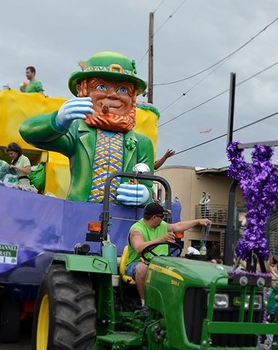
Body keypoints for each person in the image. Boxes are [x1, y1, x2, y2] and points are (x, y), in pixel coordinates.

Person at [20, 51, 154, 205]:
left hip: (122, 218)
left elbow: (148, 185)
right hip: (80, 212)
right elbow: (28, 132)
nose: (112, 95)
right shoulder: (76, 132)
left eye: (123, 90)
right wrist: (58, 120)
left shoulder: (142, 144)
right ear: (82, 90)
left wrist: (144, 195)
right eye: (101, 86)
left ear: (133, 97)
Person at [125, 202, 210, 305]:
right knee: (142, 269)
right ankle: (145, 303)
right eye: (162, 216)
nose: (163, 219)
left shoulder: (162, 225)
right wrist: (161, 239)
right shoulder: (137, 230)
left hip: (160, 263)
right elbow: (139, 248)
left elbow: (178, 226)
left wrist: (198, 221)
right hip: (139, 263)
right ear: (154, 217)